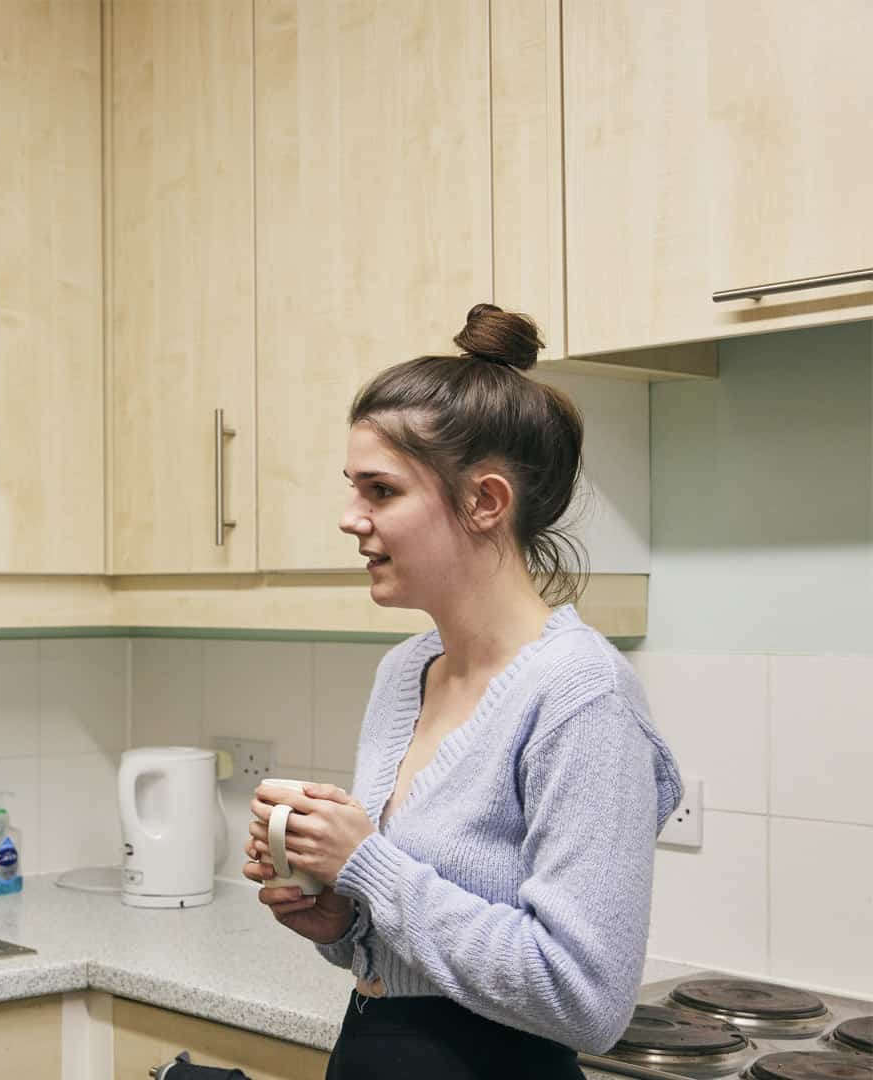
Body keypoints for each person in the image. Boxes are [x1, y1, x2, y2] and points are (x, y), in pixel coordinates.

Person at [242, 305, 682, 1079]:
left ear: (485, 502)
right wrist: (337, 915)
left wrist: (368, 864)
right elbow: (405, 952)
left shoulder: (582, 695)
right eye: (353, 488)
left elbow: (588, 1000)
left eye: (380, 490)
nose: (350, 519)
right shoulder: (404, 672)